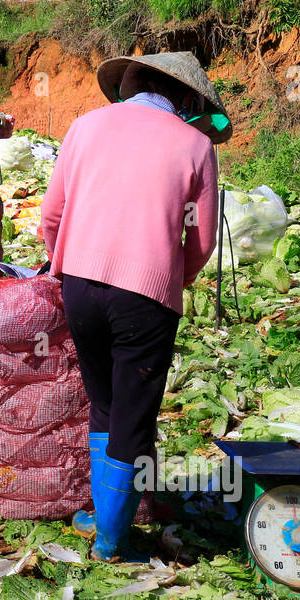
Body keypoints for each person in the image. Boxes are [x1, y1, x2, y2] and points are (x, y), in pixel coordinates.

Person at [40, 51, 225, 561]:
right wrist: (173, 276)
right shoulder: (196, 144)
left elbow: (52, 214)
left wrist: (64, 261)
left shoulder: (84, 126)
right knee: (134, 416)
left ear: (129, 86)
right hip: (145, 296)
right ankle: (111, 540)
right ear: (187, 98)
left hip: (79, 282)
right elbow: (202, 238)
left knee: (103, 402)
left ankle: (104, 516)